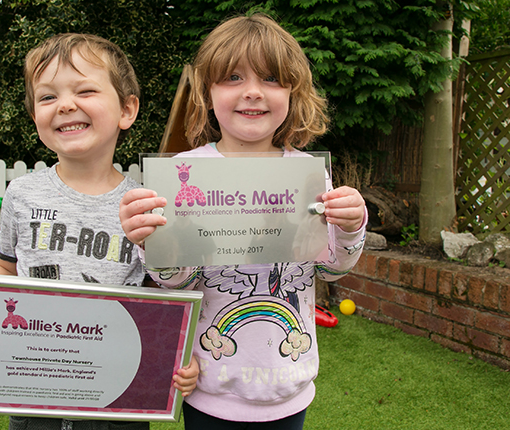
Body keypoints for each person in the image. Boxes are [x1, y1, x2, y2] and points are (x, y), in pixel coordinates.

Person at [120, 14, 367, 429]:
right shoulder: (184, 173)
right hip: (211, 384)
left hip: (289, 381)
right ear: (208, 92)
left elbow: (329, 266)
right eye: (232, 77)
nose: (252, 92)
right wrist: (154, 246)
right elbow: (177, 281)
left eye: (271, 78)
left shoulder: (308, 173)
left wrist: (350, 225)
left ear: (292, 91)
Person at [0, 33, 198, 430]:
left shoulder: (147, 205)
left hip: (119, 400)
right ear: (35, 117)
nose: (65, 104)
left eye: (85, 90)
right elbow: (2, 270)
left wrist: (177, 353)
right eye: (47, 97)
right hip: (34, 399)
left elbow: (163, 297)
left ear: (127, 109)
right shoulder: (22, 193)